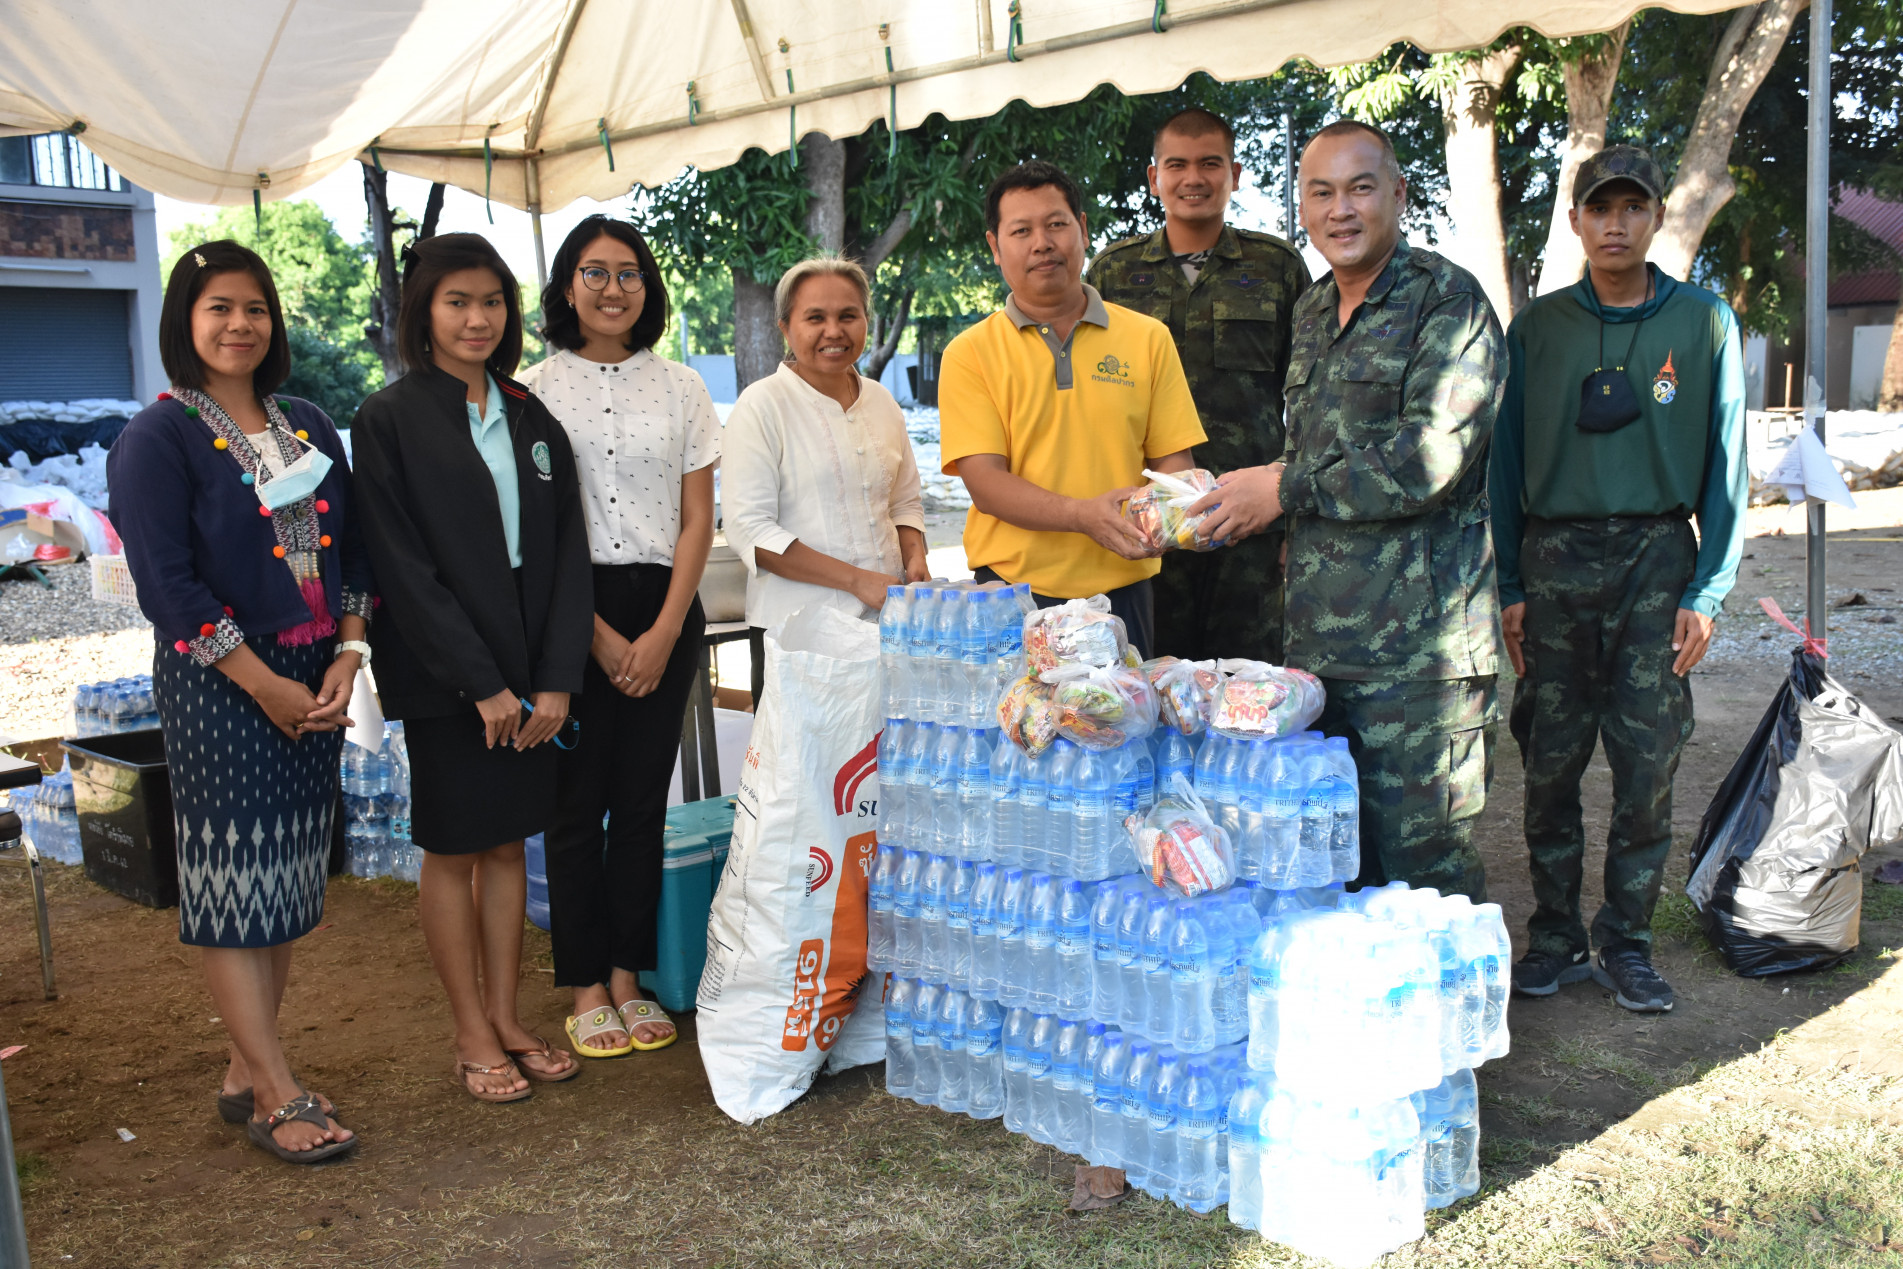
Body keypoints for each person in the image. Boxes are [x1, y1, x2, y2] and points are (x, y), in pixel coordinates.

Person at [1191, 120, 1505, 900]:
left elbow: (1428, 458)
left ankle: (1450, 1021)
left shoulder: (1448, 302)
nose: (1340, 209)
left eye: (1360, 188)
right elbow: (1317, 448)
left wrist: (1284, 487)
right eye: (1320, 192)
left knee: (1421, 872)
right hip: (1320, 648)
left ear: (1397, 193)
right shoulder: (1309, 311)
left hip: (1419, 658)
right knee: (1335, 864)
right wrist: (1257, 484)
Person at [108, 239, 372, 1162]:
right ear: (187, 320)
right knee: (232, 884)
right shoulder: (158, 436)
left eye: (254, 307)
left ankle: (240, 1064)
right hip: (221, 682)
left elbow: (352, 556)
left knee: (286, 877)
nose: (239, 324)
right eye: (218, 307)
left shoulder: (306, 421)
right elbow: (167, 588)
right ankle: (274, 1089)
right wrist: (260, 683)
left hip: (313, 674)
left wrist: (348, 653)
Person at [1490, 146, 1747, 1013]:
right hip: (1555, 559)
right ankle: (1555, 933)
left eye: (1632, 208)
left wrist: (1705, 589)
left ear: (1654, 218)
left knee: (1647, 761)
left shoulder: (1704, 322)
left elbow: (1726, 462)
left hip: (1654, 557)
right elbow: (1503, 462)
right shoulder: (1538, 329)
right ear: (1574, 221)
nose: (1615, 224)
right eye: (1599, 208)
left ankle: (1627, 940)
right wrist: (1510, 586)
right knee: (1549, 758)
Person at [352, 233, 592, 1101]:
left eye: (491, 301)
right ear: (424, 311)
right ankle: (467, 1029)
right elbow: (400, 568)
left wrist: (556, 676)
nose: (477, 317)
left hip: (530, 673)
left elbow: (567, 554)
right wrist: (480, 683)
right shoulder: (387, 418)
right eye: (457, 301)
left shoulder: (529, 414)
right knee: (456, 849)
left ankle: (506, 1014)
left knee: (506, 847)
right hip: (448, 675)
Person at [519, 216, 719, 1056]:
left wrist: (666, 628)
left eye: (629, 273)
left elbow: (698, 519)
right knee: (574, 809)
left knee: (641, 804)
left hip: (667, 604)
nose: (612, 288)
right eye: (595, 273)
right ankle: (584, 981)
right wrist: (593, 635)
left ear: (649, 287)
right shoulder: (528, 390)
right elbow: (532, 531)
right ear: (568, 286)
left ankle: (631, 975)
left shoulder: (682, 387)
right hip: (569, 607)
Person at [940, 160, 1207, 659]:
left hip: (1124, 592)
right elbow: (985, 483)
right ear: (995, 247)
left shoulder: (1148, 339)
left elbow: (1175, 465)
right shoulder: (969, 353)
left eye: (1056, 224)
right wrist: (1083, 516)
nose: (1042, 242)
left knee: (1122, 730)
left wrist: (1175, 518)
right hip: (1012, 595)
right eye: (1021, 230)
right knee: (1023, 732)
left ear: (1082, 230)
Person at [1087, 108, 1310, 662]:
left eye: (1210, 163)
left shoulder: (1275, 265)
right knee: (1150, 685)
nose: (1194, 178)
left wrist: (1294, 517)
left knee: (1247, 687)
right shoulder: (1113, 273)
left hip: (1249, 525)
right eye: (1178, 164)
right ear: (1153, 176)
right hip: (1149, 524)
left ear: (1234, 173)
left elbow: (1308, 396)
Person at [723, 256, 930, 705]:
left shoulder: (881, 401)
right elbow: (752, 532)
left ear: (865, 322)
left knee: (885, 769)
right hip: (798, 639)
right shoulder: (762, 405)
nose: (834, 331)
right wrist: (857, 581)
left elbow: (905, 502)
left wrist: (914, 559)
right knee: (806, 773)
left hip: (890, 628)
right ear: (785, 327)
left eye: (848, 316)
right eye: (815, 317)